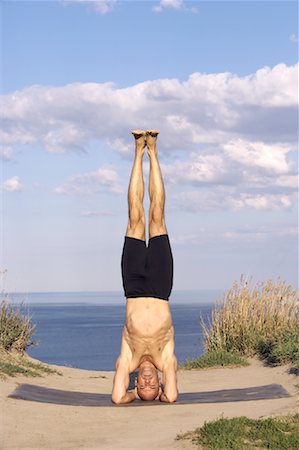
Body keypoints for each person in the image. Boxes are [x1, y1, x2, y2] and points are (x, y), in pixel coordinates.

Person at [111, 129, 178, 404]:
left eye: (143, 386)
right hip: (161, 286)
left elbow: (117, 398)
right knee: (158, 216)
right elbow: (172, 397)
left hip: (135, 287)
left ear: (135, 382)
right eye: (153, 386)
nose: (149, 382)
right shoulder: (166, 361)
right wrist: (163, 393)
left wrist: (129, 396)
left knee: (136, 218)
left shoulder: (129, 359)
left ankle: (139, 150)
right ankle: (154, 151)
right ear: (160, 384)